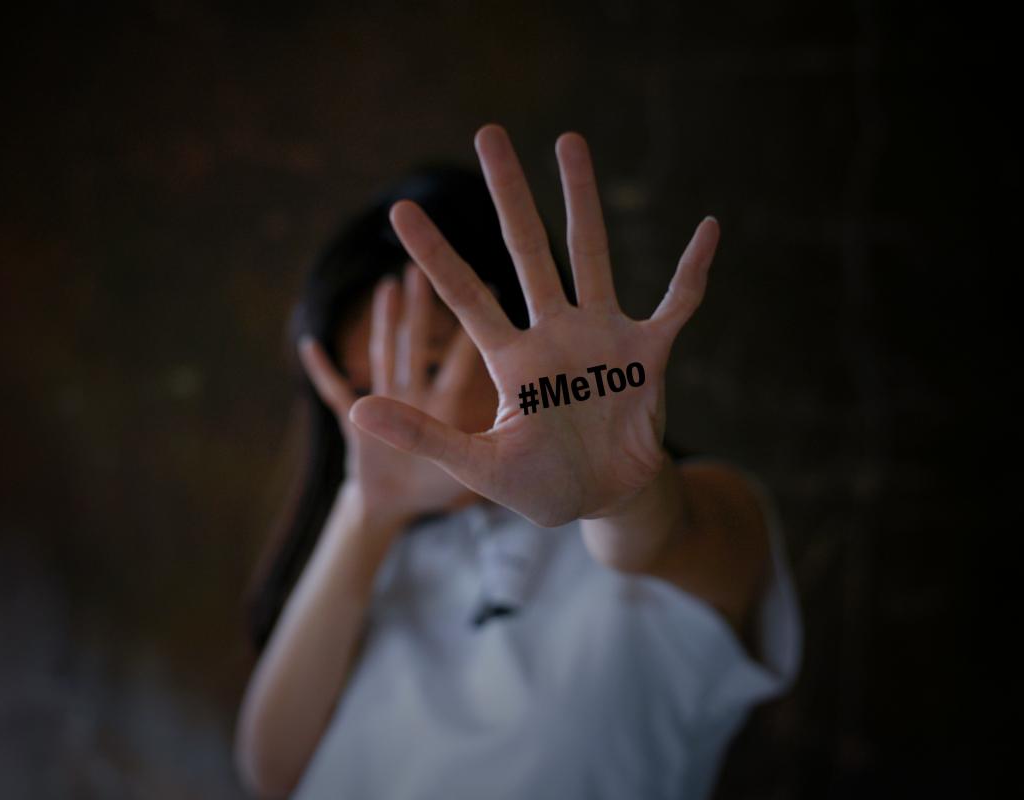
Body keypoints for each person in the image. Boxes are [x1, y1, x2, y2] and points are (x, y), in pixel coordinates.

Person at [233, 124, 802, 799]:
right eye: (364, 390)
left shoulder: (685, 519)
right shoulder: (382, 565)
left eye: (428, 365)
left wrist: (618, 495)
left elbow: (660, 541)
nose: (392, 412)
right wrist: (367, 512)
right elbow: (271, 772)